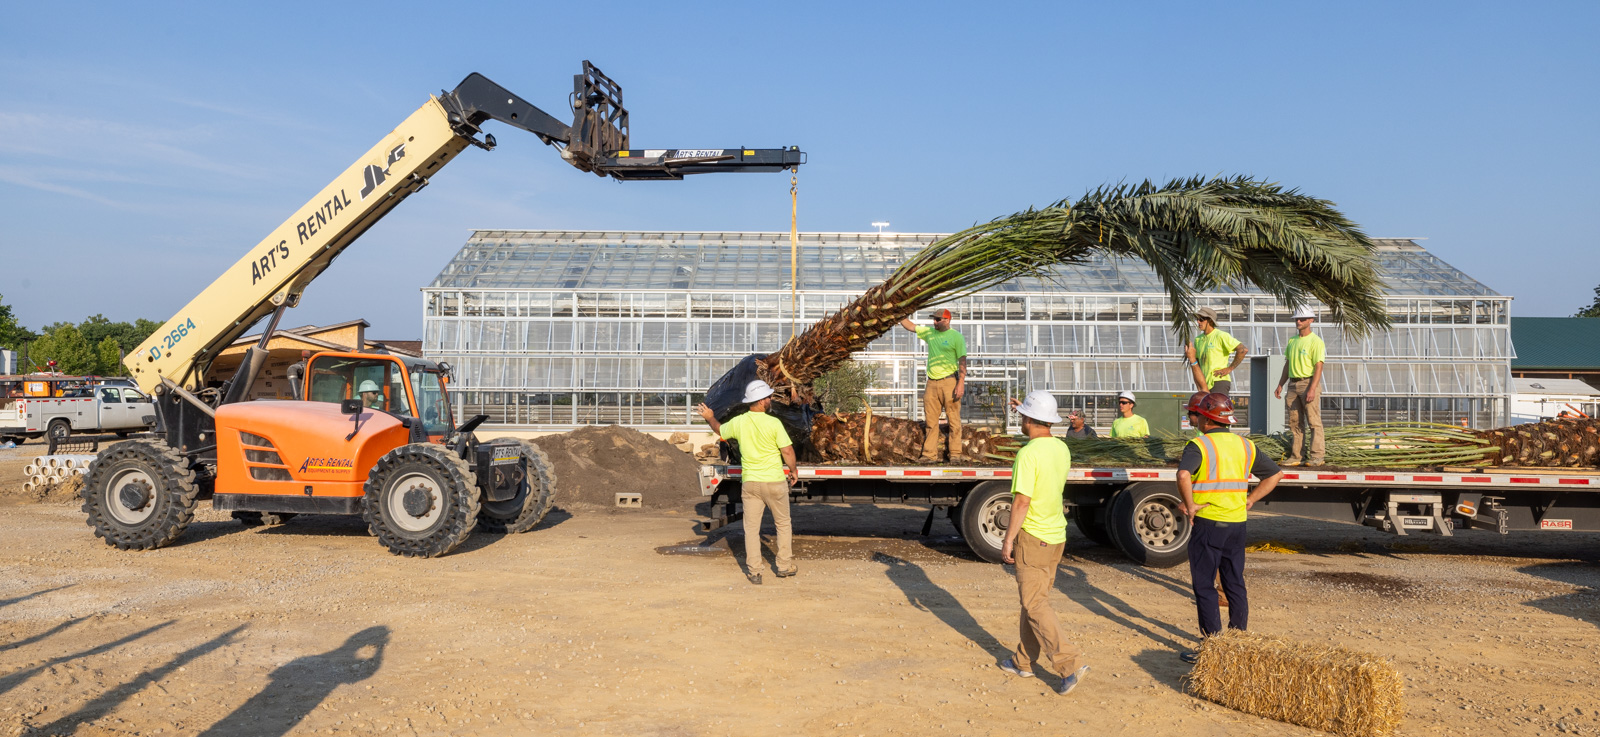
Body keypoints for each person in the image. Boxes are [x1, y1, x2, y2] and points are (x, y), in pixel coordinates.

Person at [1175, 392, 1284, 664]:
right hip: (1237, 524)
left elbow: (1183, 474)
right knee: (1234, 582)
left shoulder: (1199, 445)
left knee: (1204, 584)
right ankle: (1239, 643)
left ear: (1206, 418)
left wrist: (1189, 505)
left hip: (1209, 523)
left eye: (1197, 414)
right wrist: (1250, 499)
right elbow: (1276, 474)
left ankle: (1213, 646)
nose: (1195, 418)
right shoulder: (1246, 445)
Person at [997, 391, 1090, 696]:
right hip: (1056, 536)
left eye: (1022, 415)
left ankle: (1069, 663)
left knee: (1034, 603)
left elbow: (1022, 501)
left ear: (1029, 420)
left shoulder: (1028, 453)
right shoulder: (1061, 448)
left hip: (1034, 537)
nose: (1020, 420)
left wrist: (1008, 539)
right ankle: (1023, 661)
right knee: (1034, 601)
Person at [697, 380, 799, 586]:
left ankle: (755, 572)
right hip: (774, 481)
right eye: (768, 397)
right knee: (783, 524)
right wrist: (793, 470)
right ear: (761, 401)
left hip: (751, 482)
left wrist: (710, 418)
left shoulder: (739, 422)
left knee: (751, 529)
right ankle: (784, 566)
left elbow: (719, 430)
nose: (770, 399)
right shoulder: (774, 423)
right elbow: (787, 451)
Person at [900, 309, 968, 462]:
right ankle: (929, 455)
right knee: (931, 420)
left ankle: (956, 454)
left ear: (947, 320)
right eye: (934, 319)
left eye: (938, 320)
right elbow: (910, 326)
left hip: (950, 381)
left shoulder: (956, 337)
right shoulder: (930, 333)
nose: (934, 322)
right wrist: (898, 315)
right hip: (931, 382)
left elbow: (962, 361)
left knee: (954, 419)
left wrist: (961, 383)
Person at [1275, 305, 1326, 467]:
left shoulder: (1316, 341)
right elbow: (1287, 363)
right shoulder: (1293, 341)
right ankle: (1297, 456)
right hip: (1293, 384)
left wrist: (1312, 388)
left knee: (1313, 421)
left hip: (1308, 382)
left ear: (1311, 320)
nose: (1298, 321)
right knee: (1295, 422)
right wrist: (1280, 384)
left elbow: (1319, 366)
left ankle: (1317, 456)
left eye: (1302, 319)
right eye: (1296, 319)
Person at [1183, 307, 1248, 396]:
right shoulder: (1198, 339)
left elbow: (1243, 350)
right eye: (1197, 319)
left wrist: (1229, 368)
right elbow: (1197, 364)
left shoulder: (1221, 336)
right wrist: (1199, 384)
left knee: (1216, 409)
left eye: (1201, 319)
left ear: (1210, 320)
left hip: (1219, 382)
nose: (1198, 322)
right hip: (1204, 384)